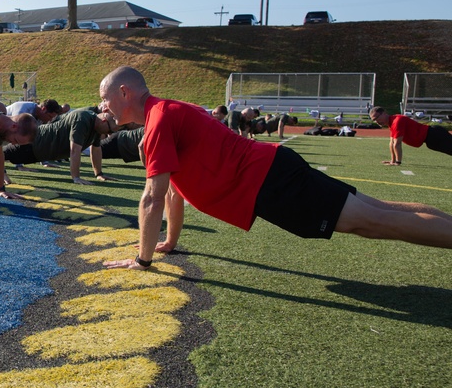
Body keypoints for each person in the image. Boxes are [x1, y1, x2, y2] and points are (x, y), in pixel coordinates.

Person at [97, 66, 452, 270]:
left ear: (125, 92)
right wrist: (169, 241)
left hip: (270, 183)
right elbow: (174, 190)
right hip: (273, 174)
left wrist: (142, 261)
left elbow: (152, 198)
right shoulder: (166, 112)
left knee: (373, 222)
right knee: (379, 212)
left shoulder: (159, 120)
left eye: (105, 97)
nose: (103, 106)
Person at [2, 108, 118, 184]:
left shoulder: (96, 127)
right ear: (103, 121)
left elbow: (96, 149)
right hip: (34, 143)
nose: (108, 134)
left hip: (40, 153)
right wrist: (76, 178)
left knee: (3, 155)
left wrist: (99, 174)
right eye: (109, 130)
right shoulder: (83, 119)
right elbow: (74, 150)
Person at [368, 106, 452, 165]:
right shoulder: (391, 122)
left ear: (384, 113)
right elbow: (392, 143)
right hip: (430, 139)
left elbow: (397, 143)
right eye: (374, 120)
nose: (377, 122)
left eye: (377, 118)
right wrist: (392, 160)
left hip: (434, 135)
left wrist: (398, 162)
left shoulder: (396, 121)